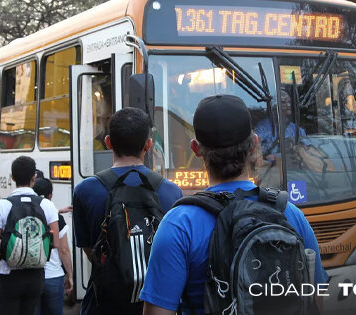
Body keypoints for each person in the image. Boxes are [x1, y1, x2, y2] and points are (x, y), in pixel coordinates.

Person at [141, 95, 329, 315]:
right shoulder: (289, 213)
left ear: (196, 149)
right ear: (254, 144)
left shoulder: (179, 225)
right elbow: (316, 300)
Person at [73, 107, 183, 315]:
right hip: (155, 303)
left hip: (103, 305)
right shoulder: (171, 192)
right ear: (148, 145)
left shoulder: (85, 191)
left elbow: (90, 251)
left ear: (108, 142)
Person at [0, 156, 60, 315]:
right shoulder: (47, 205)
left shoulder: (1, 205)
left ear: (12, 177)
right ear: (34, 177)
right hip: (36, 276)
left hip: (9, 274)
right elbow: (56, 243)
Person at [33, 176, 73, 315]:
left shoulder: (27, 214)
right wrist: (70, 275)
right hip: (53, 277)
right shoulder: (57, 218)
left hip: (31, 276)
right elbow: (63, 250)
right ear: (50, 195)